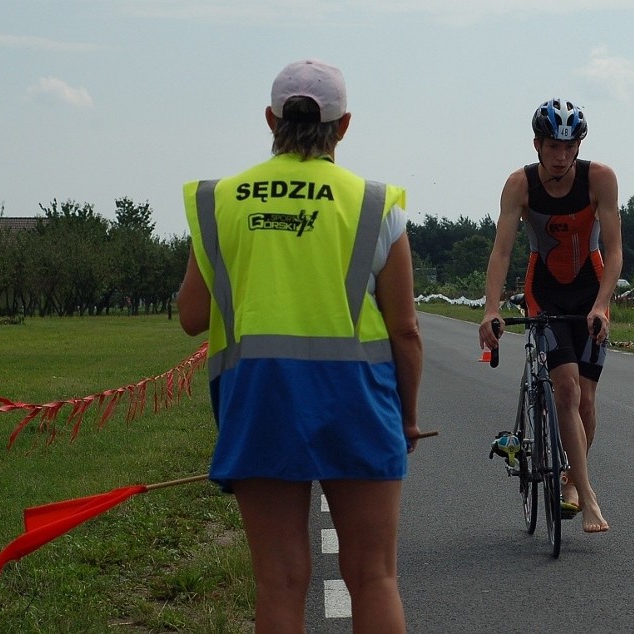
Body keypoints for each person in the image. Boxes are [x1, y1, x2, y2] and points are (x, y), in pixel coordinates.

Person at [177, 59, 423, 633]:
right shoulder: (374, 202)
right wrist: (407, 419)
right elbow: (405, 330)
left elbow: (192, 317)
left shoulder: (219, 200)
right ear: (344, 126)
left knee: (280, 584)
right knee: (374, 578)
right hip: (358, 402)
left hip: (259, 400)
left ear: (271, 118)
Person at [479, 98, 622, 534]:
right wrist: (491, 309)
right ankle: (588, 495)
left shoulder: (600, 178)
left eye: (569, 146)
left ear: (578, 145)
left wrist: (601, 303)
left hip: (590, 290)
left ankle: (568, 480)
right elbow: (502, 250)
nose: (561, 157)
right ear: (537, 144)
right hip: (544, 292)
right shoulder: (519, 185)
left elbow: (614, 251)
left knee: (587, 400)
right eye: (552, 147)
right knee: (565, 390)